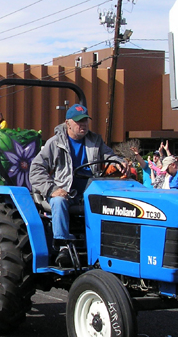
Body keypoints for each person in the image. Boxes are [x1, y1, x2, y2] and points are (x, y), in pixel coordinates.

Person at [30, 104, 118, 261]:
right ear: (67, 123)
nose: (83, 124)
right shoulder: (55, 143)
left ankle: (110, 245)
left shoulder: (95, 141)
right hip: (65, 192)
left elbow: (110, 156)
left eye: (85, 120)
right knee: (58, 201)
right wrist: (52, 189)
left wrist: (119, 162)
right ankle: (62, 245)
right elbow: (36, 170)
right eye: (78, 121)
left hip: (90, 191)